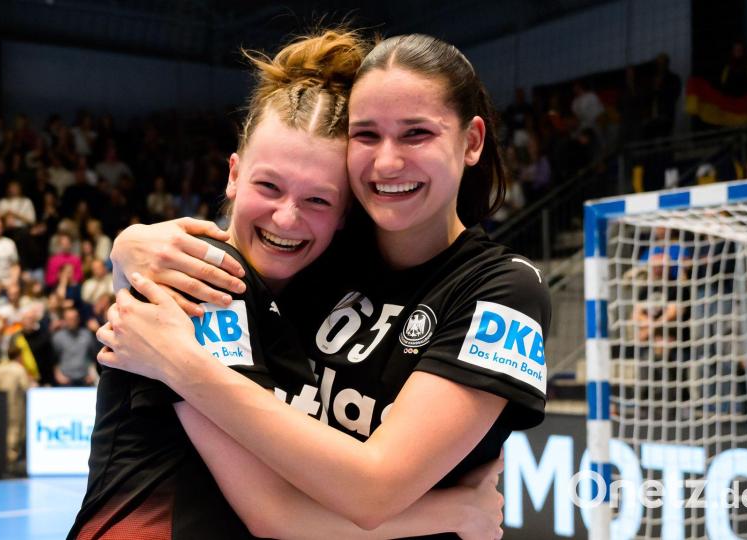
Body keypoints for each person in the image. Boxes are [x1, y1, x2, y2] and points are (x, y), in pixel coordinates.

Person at [100, 32, 549, 538]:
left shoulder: (501, 289)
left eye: (416, 133)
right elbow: (272, 509)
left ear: (471, 141)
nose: (387, 162)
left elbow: (372, 490)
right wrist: (128, 248)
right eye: (366, 134)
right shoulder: (308, 264)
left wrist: (178, 363)